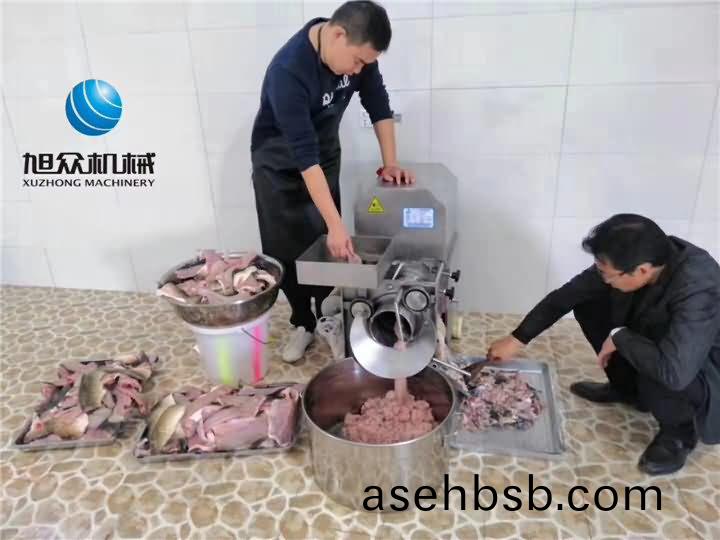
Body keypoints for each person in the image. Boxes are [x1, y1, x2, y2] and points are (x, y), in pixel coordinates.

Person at [474, 214, 720, 475]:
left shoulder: (697, 285)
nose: (603, 278)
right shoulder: (632, 256)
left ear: (642, 270)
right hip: (653, 340)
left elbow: (675, 372)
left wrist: (621, 336)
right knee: (588, 301)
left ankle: (679, 434)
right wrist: (517, 339)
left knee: (659, 365)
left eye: (607, 274)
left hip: (694, 368)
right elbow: (566, 296)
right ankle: (626, 390)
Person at [251, 1, 415, 363]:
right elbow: (302, 153)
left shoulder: (359, 52)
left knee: (326, 244)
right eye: (356, 62)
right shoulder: (288, 71)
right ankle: (302, 323)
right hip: (279, 166)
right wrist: (337, 224)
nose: (358, 71)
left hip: (323, 157)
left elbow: (378, 105)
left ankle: (329, 318)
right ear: (338, 35)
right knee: (286, 250)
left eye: (365, 64)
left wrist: (390, 164)